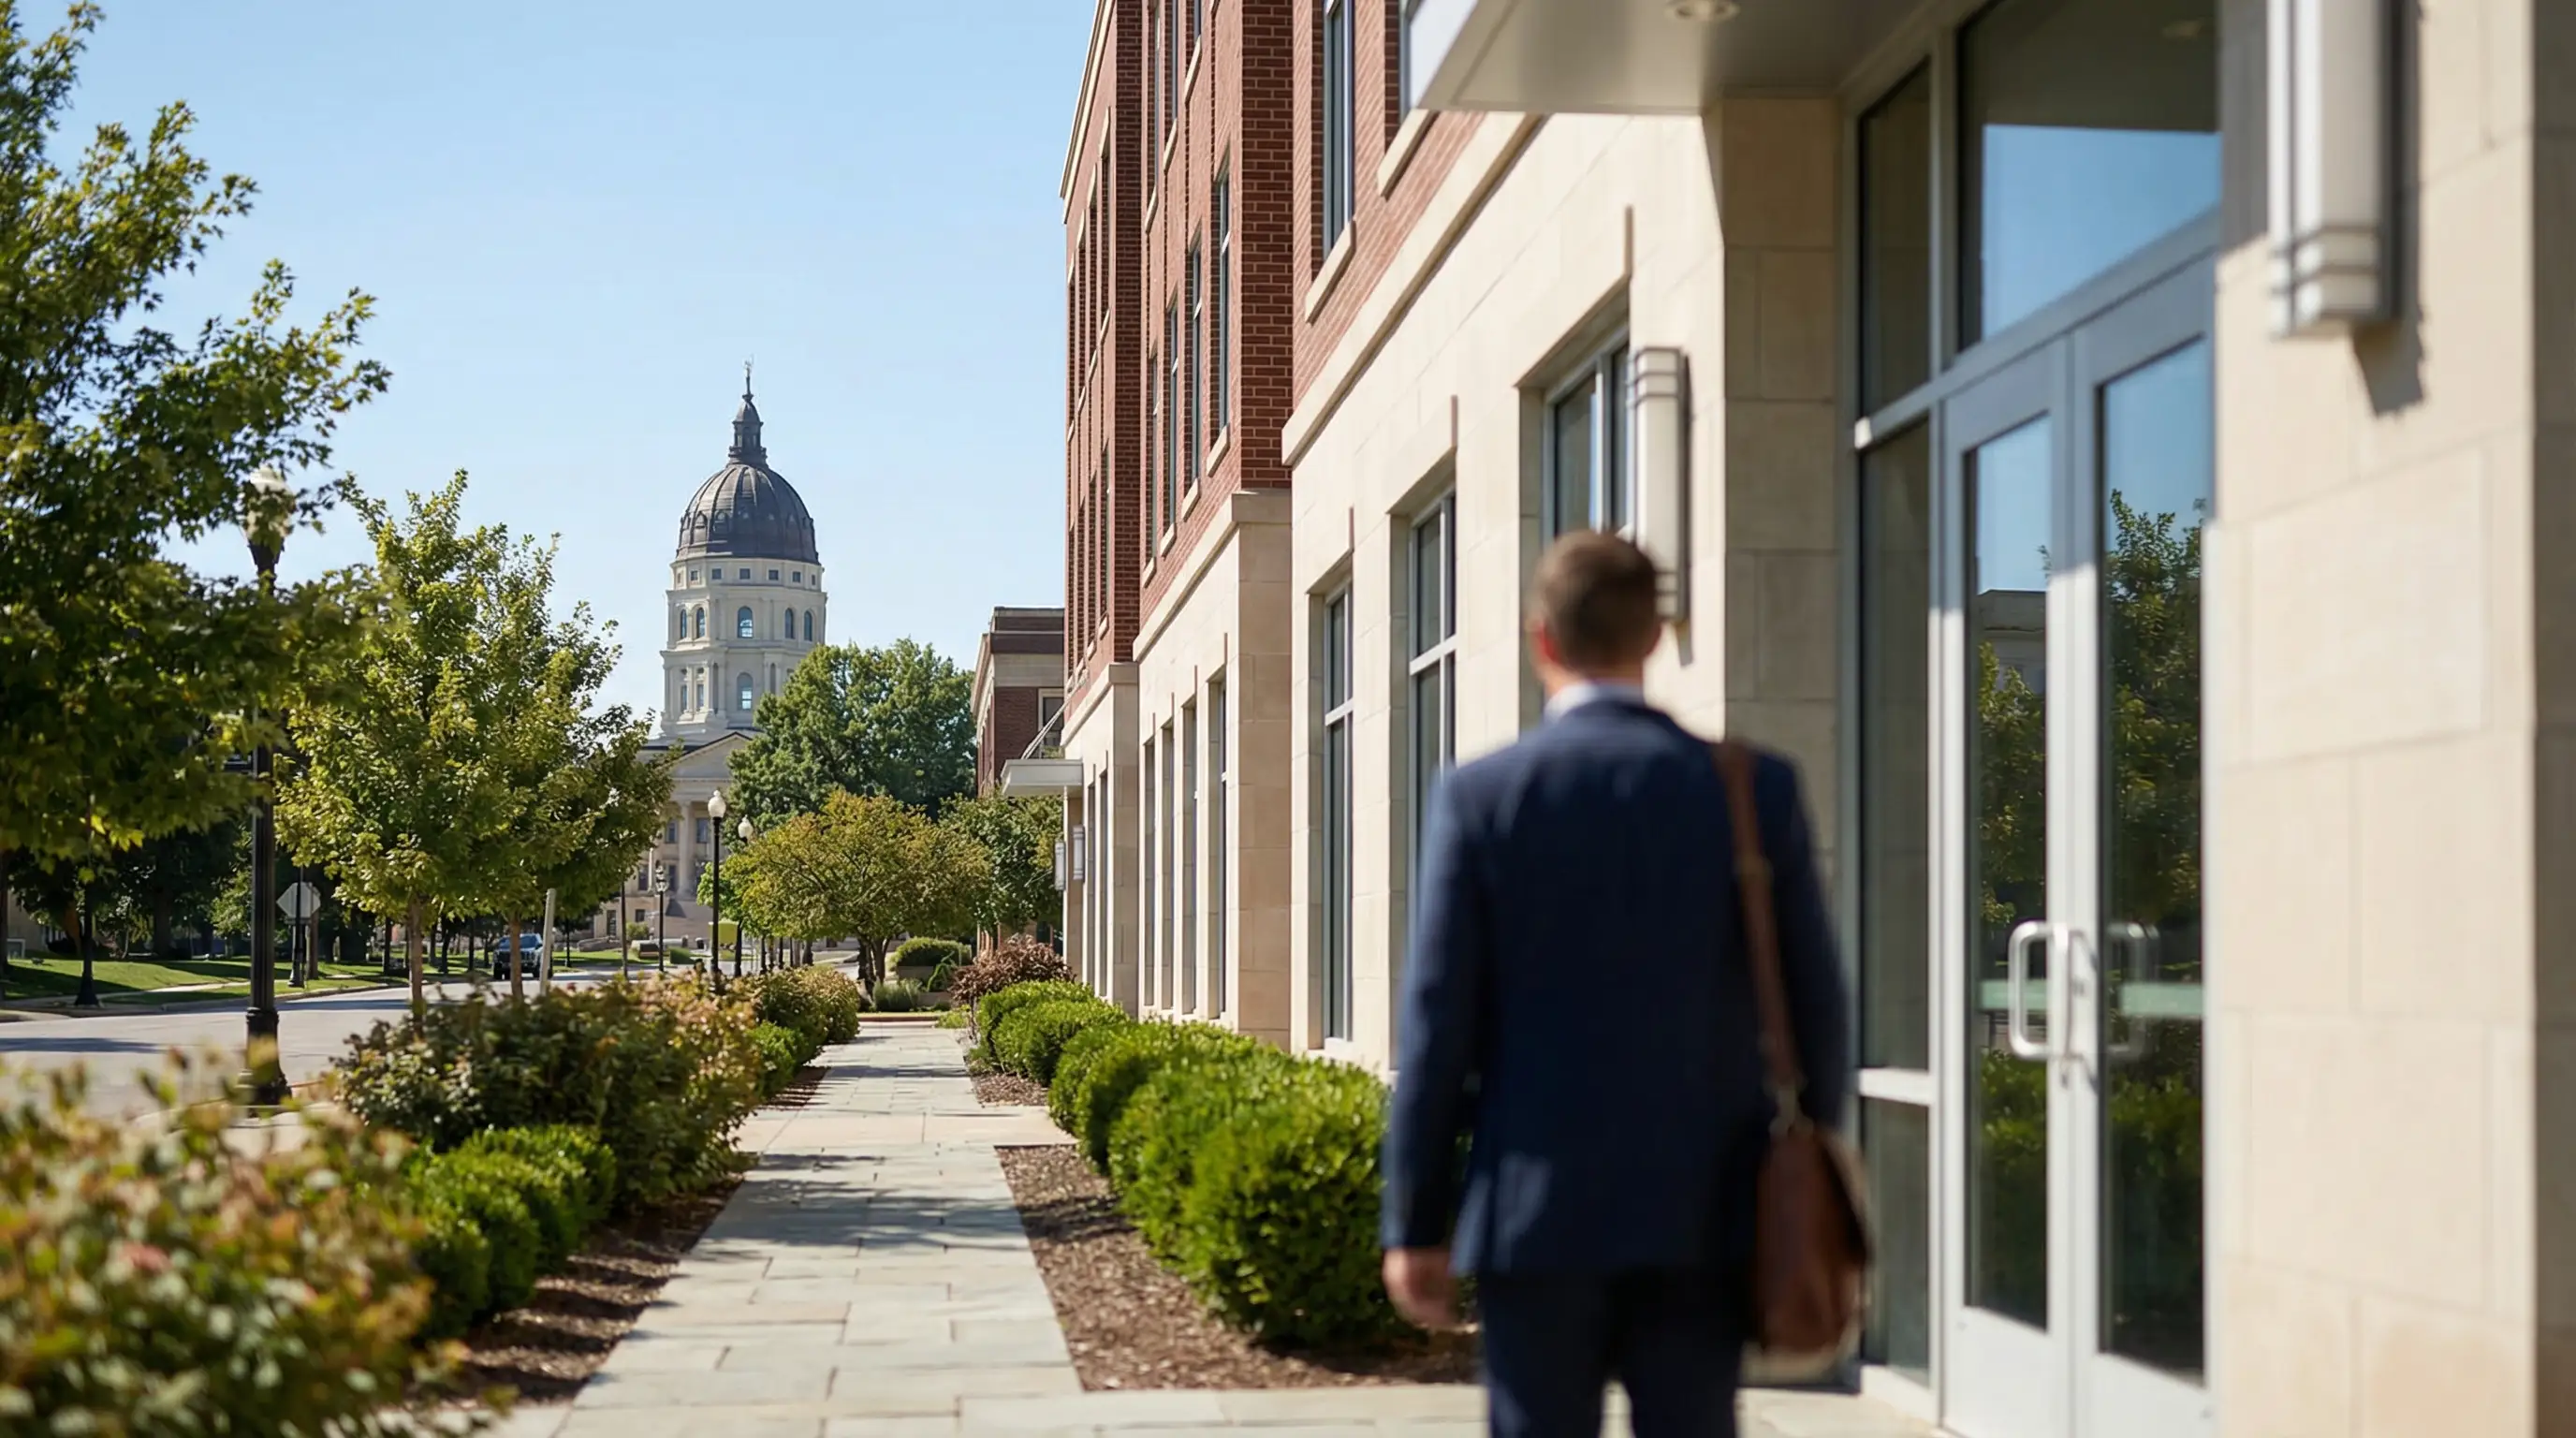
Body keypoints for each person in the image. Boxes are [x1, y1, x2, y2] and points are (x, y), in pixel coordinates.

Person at [1380, 531, 1852, 1438]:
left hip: (1534, 1218)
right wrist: (1808, 1166)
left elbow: (1437, 1028)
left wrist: (1414, 1219)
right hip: (1709, 1215)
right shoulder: (1756, 789)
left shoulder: (1482, 797)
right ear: (1653, 638)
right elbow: (1816, 1007)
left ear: (1540, 641)